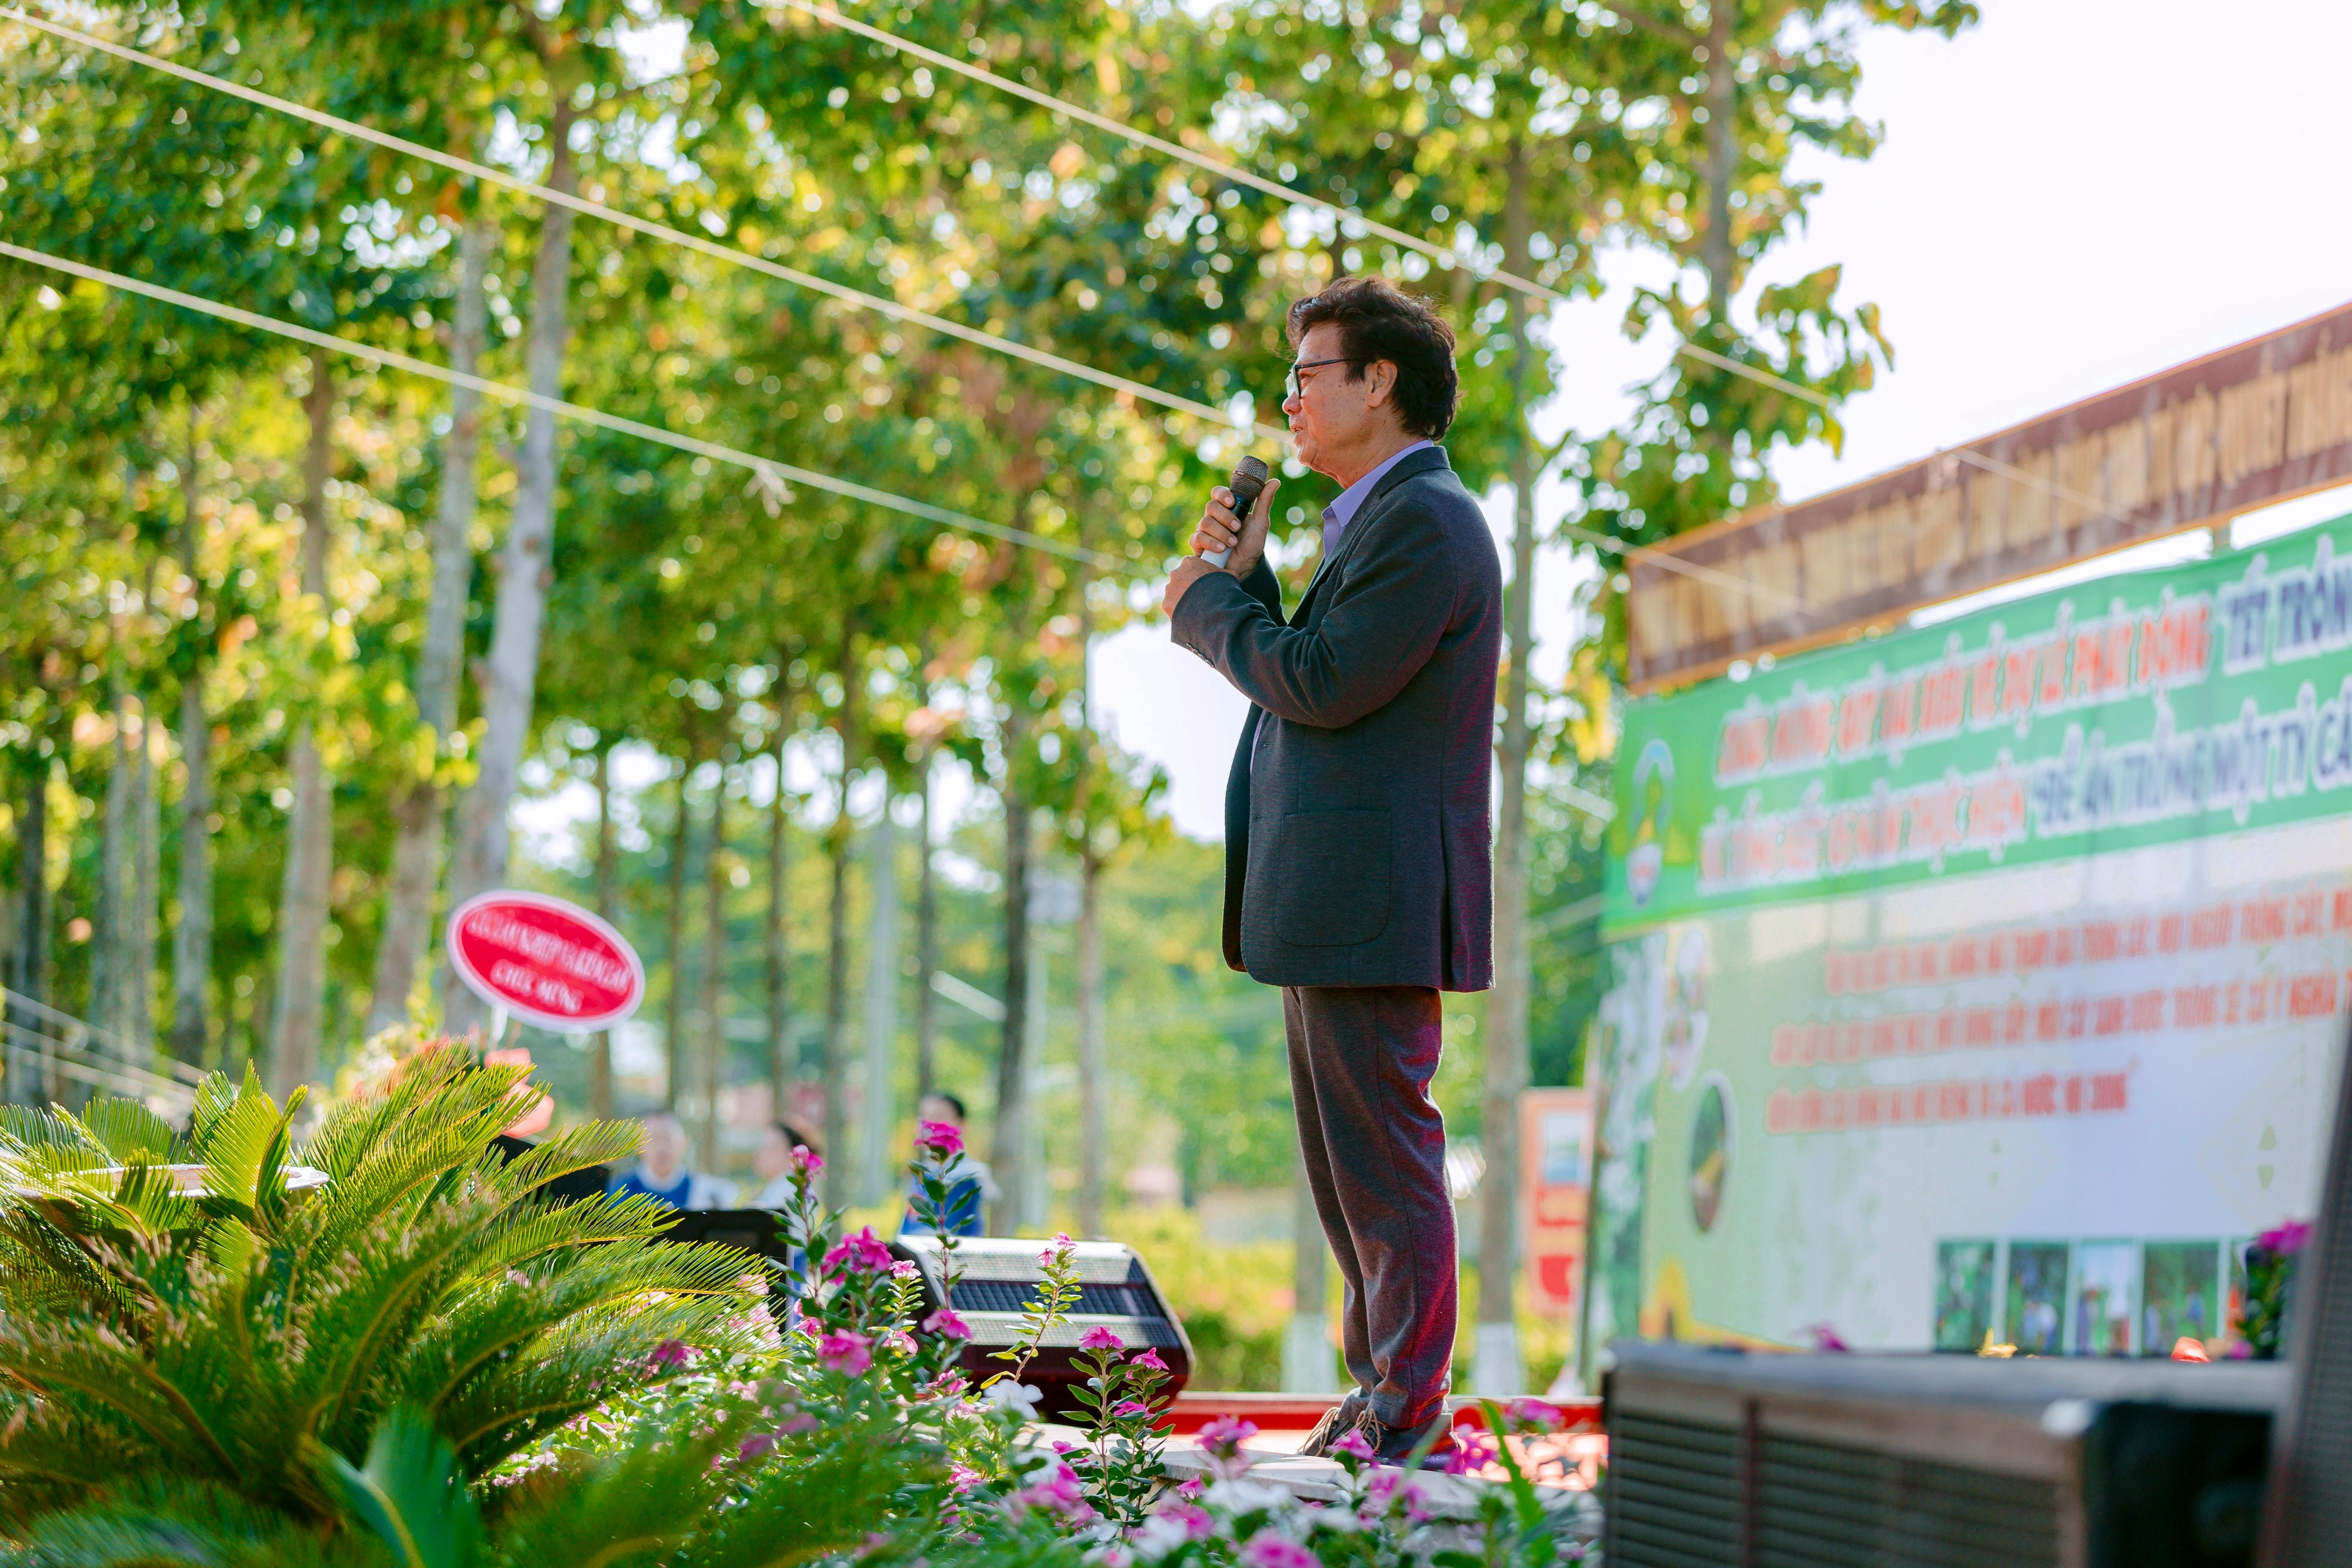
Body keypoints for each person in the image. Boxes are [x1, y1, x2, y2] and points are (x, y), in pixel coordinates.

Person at [1163, 276, 1501, 1465]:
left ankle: (1407, 1408)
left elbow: (1321, 685)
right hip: (1338, 898)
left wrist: (1208, 610)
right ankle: (1380, 1390)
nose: (1290, 403)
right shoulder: (1376, 517)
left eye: (1309, 376)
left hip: (1375, 896)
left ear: (1379, 383)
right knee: (1348, 1167)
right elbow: (1320, 669)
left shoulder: (1430, 522)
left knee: (1386, 1157)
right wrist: (1249, 585)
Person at [897, 1091, 998, 1238]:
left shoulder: (971, 1176)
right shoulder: (920, 1173)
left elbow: (952, 1229)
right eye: (925, 1119)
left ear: (962, 1124)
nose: (930, 1126)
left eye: (939, 1117)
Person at [606, 1110, 739, 1210]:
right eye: (654, 1140)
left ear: (684, 1143)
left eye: (668, 1139)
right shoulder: (620, 1191)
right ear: (639, 1146)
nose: (662, 1148)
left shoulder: (708, 1193)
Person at [749, 1117, 825, 1208]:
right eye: (761, 1146)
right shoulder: (779, 1187)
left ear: (792, 1155)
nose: (760, 1153)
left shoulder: (791, 1191)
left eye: (768, 1147)